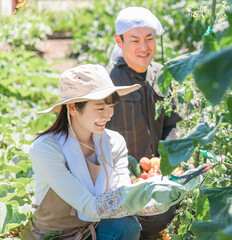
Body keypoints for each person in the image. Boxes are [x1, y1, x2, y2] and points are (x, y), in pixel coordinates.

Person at [22, 64, 186, 240]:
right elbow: (89, 207)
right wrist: (146, 190)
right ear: (72, 108)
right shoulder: (46, 148)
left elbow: (121, 197)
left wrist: (160, 193)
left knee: (126, 225)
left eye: (111, 106)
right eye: (100, 109)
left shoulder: (114, 142)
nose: (108, 115)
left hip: (94, 230)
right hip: (52, 236)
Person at [105, 7, 183, 239]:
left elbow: (174, 124)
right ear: (119, 41)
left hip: (156, 177)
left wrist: (165, 161)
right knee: (143, 220)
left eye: (149, 39)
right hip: (121, 184)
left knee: (166, 211)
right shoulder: (107, 81)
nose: (144, 47)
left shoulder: (162, 75)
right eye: (135, 40)